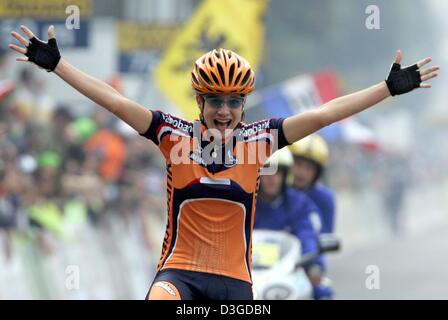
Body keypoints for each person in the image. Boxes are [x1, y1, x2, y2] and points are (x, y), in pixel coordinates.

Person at [8, 25, 438, 300]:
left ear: (244, 102)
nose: (225, 111)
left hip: (235, 285)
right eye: (215, 100)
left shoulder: (261, 140)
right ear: (200, 100)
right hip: (179, 277)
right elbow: (116, 101)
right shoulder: (171, 134)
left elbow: (326, 113)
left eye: (234, 101)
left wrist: (387, 88)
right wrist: (59, 65)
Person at [253, 147, 322, 297]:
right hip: (246, 273)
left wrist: (314, 264)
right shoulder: (245, 202)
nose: (271, 178)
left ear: (286, 176)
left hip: (287, 273)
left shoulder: (298, 203)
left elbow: (306, 234)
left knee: (321, 292)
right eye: (266, 172)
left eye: (277, 172)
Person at [289, 134, 335, 299]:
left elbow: (324, 237)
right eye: (298, 164)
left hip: (305, 264)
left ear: (317, 173)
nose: (302, 172)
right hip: (272, 261)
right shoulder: (273, 189)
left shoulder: (325, 198)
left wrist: (316, 267)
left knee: (323, 293)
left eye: (309, 168)